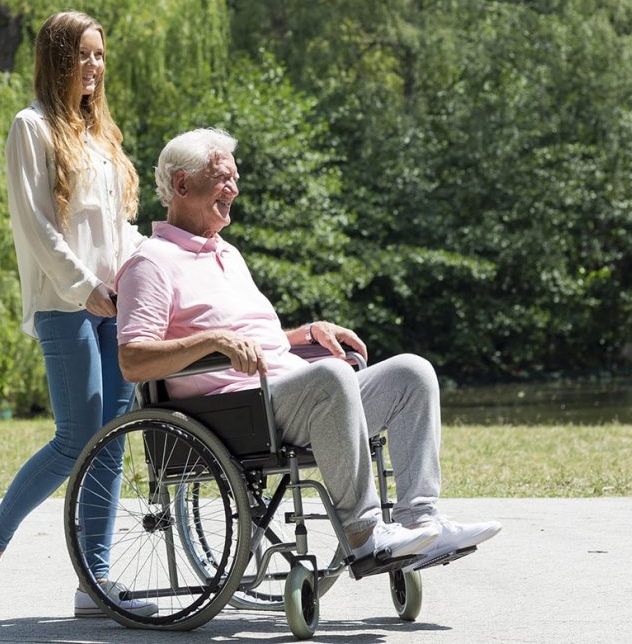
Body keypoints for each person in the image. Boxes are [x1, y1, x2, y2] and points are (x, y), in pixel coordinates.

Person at [115, 127, 501, 573]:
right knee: (332, 377)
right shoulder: (151, 263)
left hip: (285, 393)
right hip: (234, 413)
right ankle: (365, 533)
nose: (235, 190)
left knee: (412, 373)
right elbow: (133, 358)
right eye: (224, 179)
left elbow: (258, 337)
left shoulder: (228, 254)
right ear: (182, 185)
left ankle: (421, 524)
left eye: (235, 179)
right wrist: (212, 342)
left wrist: (305, 333)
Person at [0, 11, 157, 620]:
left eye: (100, 55)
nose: (94, 66)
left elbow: (118, 227)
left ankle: (94, 583)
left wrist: (145, 273)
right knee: (76, 438)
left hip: (115, 303)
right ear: (57, 60)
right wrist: (85, 287)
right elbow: (38, 225)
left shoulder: (103, 136)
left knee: (111, 443)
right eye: (83, 55)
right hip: (64, 303)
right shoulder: (32, 127)